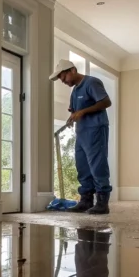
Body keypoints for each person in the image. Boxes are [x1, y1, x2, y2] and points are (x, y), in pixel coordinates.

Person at [49, 59, 113, 214]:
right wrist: (72, 117)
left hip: (96, 129)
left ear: (72, 70)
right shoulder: (75, 90)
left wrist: (83, 111)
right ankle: (86, 200)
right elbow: (74, 110)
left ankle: (102, 203)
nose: (62, 81)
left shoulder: (92, 83)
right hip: (82, 132)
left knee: (97, 165)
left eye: (63, 76)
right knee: (82, 166)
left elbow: (106, 101)